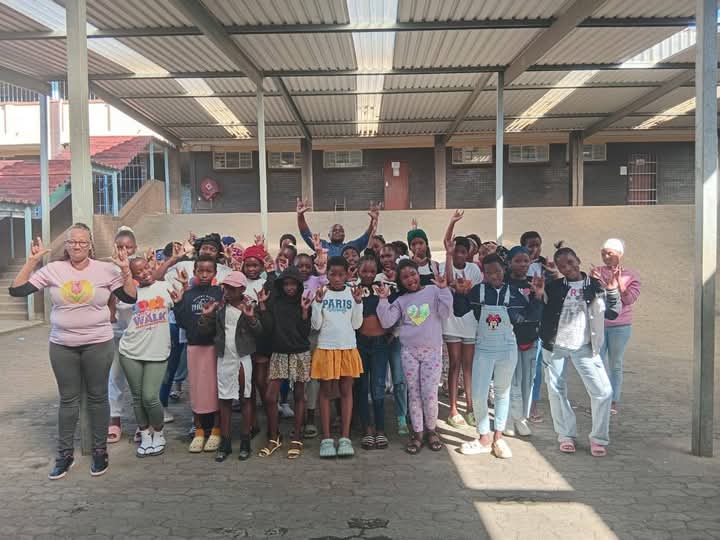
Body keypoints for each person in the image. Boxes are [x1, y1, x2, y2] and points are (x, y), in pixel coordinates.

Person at [9, 223, 136, 479]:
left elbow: (130, 297)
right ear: (66, 245)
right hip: (62, 345)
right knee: (68, 400)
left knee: (98, 397)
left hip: (98, 343)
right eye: (72, 241)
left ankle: (99, 451)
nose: (77, 246)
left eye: (82, 241)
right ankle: (65, 454)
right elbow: (17, 289)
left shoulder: (105, 269)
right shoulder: (54, 270)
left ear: (90, 245)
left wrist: (125, 270)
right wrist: (32, 261)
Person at [453, 253, 544, 459]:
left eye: (498, 271)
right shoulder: (477, 291)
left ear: (504, 270)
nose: (494, 275)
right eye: (489, 272)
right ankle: (483, 438)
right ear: (484, 274)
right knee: (478, 394)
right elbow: (459, 311)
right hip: (483, 349)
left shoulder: (514, 293)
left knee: (503, 392)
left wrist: (537, 296)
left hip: (507, 349)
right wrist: (459, 294)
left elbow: (530, 316)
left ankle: (498, 438)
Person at [540, 243, 620, 457]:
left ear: (578, 261)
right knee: (556, 390)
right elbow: (542, 310)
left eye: (570, 262)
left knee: (603, 391)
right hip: (555, 346)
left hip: (584, 346)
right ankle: (565, 435)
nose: (568, 268)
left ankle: (598, 438)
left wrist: (612, 290)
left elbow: (612, 313)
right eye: (562, 266)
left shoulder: (596, 286)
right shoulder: (554, 287)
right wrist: (539, 294)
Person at [376, 259, 452, 455]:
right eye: (405, 277)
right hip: (409, 352)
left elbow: (445, 313)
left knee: (430, 393)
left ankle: (431, 430)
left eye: (413, 274)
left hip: (432, 351)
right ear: (400, 281)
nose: (410, 279)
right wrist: (383, 300)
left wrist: (444, 290)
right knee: (414, 393)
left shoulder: (433, 291)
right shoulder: (401, 301)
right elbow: (386, 321)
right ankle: (418, 433)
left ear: (419, 273)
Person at [197, 271, 262, 462]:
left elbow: (260, 332)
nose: (228, 292)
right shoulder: (219, 309)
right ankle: (225, 443)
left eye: (232, 289)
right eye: (226, 288)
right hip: (225, 358)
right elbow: (206, 332)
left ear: (242, 289)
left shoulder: (250, 306)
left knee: (245, 398)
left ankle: (245, 441)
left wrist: (251, 318)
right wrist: (206, 316)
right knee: (224, 400)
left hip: (242, 357)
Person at [118, 257, 175, 458]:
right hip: (130, 351)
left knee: (150, 397)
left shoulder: (166, 287)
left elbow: (180, 304)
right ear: (132, 276)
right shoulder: (127, 296)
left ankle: (159, 433)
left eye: (146, 268)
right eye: (139, 272)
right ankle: (145, 435)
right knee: (137, 398)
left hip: (158, 351)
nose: (145, 273)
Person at [257, 266, 313, 459]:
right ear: (281, 285)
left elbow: (305, 332)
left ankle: (296, 436)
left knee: (299, 395)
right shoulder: (275, 302)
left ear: (299, 285)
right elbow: (268, 328)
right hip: (279, 352)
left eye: (293, 284)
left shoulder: (304, 302)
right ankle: (274, 437)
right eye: (287, 284)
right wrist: (262, 306)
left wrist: (305, 312)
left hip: (300, 352)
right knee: (270, 397)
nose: (290, 287)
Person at [310, 256, 364, 458]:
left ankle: (345, 438)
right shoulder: (322, 292)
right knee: (326, 392)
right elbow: (316, 325)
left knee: (346, 391)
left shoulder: (352, 293)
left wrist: (358, 303)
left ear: (348, 274)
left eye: (341, 274)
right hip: (326, 347)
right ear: (327, 274)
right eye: (333, 274)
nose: (337, 278)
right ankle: (326, 439)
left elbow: (357, 324)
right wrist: (317, 303)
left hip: (348, 348)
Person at [171, 256, 224, 453]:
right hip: (194, 347)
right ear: (194, 272)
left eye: (208, 271)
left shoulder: (219, 292)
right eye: (200, 271)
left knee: (216, 389)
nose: (204, 275)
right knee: (197, 390)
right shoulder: (188, 294)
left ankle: (217, 429)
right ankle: (199, 429)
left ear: (215, 273)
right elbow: (183, 323)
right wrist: (178, 304)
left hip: (215, 348)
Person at [442, 210, 483, 429]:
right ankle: (453, 409)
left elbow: (472, 293)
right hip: (451, 323)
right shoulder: (444, 265)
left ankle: (470, 407)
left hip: (470, 324)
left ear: (468, 253)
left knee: (469, 365)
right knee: (454, 364)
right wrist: (452, 223)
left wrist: (465, 289)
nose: (458, 254)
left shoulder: (474, 270)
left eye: (462, 252)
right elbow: (449, 281)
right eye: (455, 251)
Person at [594, 239, 641, 415]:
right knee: (597, 362)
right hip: (599, 324)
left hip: (620, 326)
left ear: (620, 254)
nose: (606, 257)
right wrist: (597, 281)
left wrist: (619, 282)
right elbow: (593, 296)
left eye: (610, 253)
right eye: (603, 254)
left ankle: (613, 400)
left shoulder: (631, 275)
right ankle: (600, 398)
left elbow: (628, 300)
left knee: (615, 363)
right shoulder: (597, 272)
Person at [355, 254, 395, 450]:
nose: (369, 275)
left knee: (378, 386)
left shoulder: (384, 287)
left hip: (380, 343)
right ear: (358, 271)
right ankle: (367, 429)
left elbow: (396, 309)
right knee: (362, 386)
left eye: (372, 271)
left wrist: (392, 333)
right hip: (359, 344)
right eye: (364, 271)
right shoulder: (353, 289)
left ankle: (380, 429)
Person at [505, 246, 543, 437]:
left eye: (526, 261)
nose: (522, 265)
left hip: (530, 339)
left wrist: (538, 295)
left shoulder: (534, 283)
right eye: (517, 261)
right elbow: (511, 314)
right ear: (509, 262)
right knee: (510, 382)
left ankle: (521, 419)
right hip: (509, 339)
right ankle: (508, 419)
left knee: (527, 381)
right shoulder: (504, 283)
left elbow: (539, 312)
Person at [107, 226, 139, 443]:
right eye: (120, 246)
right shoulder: (108, 268)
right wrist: (110, 311)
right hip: (114, 330)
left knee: (138, 378)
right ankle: (115, 419)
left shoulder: (138, 267)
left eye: (128, 247)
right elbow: (108, 292)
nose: (123, 251)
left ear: (134, 248)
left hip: (136, 330)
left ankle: (142, 422)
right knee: (115, 375)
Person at [374, 243, 409, 435]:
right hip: (379, 336)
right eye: (382, 256)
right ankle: (377, 419)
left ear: (397, 257)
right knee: (378, 379)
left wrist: (394, 332)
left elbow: (406, 305)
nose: (386, 260)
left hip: (397, 337)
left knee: (399, 379)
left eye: (389, 256)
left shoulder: (403, 279)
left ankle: (402, 416)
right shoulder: (376, 278)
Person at [296, 197, 379, 257]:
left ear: (344, 235)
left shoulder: (351, 246)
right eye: (334, 230)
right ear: (329, 235)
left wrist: (374, 219)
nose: (337, 232)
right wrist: (300, 216)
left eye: (341, 230)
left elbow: (367, 236)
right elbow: (305, 233)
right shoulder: (322, 245)